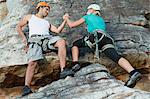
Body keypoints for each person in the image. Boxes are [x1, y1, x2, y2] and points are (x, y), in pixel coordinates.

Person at [63, 4, 142, 88]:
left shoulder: (87, 16)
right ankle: (133, 72)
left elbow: (72, 25)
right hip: (106, 38)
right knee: (116, 57)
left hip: (95, 37)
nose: (87, 11)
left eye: (89, 9)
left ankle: (75, 64)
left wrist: (66, 18)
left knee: (75, 44)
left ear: (93, 10)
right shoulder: (101, 19)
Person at [16, 2, 74, 96]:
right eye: (46, 9)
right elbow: (18, 27)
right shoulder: (30, 17)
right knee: (32, 62)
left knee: (61, 41)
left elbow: (58, 30)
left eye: (48, 10)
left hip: (47, 39)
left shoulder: (47, 23)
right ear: (40, 8)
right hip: (35, 40)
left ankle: (63, 70)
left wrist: (65, 20)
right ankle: (26, 86)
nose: (47, 12)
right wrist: (24, 39)